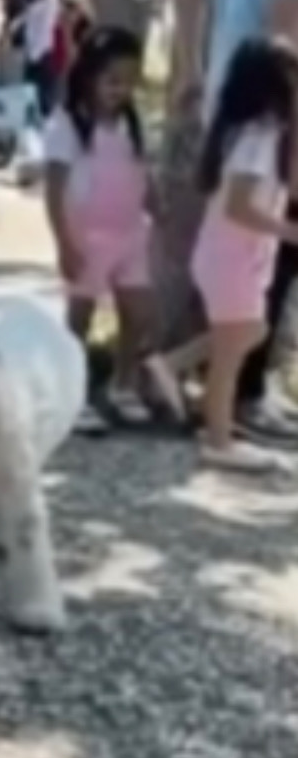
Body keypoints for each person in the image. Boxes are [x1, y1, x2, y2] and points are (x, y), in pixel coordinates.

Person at [171, 0, 298, 446]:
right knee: (272, 245)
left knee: (256, 246)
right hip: (275, 99)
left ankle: (229, 378)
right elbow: (286, 20)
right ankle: (242, 390)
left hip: (233, 92)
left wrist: (192, 67)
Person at [145, 37, 298, 474]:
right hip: (232, 254)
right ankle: (218, 440)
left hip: (237, 255)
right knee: (232, 352)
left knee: (249, 331)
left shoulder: (259, 134)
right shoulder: (257, 138)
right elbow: (239, 206)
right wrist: (286, 230)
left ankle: (169, 365)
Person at [42, 25, 155, 432]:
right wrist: (64, 243)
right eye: (112, 80)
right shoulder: (67, 125)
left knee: (138, 312)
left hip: (130, 235)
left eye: (129, 81)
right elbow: (54, 190)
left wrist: (154, 202)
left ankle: (124, 385)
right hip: (86, 237)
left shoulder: (131, 125)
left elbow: (141, 172)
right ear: (89, 76)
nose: (120, 90)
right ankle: (72, 393)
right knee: (81, 318)